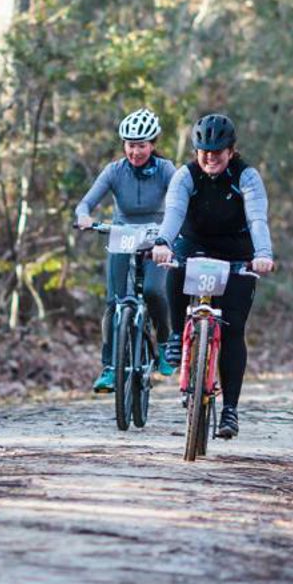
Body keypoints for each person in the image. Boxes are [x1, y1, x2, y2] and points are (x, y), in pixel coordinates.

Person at [150, 113, 276, 439]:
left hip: (238, 254)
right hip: (194, 246)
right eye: (204, 151)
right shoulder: (186, 175)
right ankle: (178, 335)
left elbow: (258, 218)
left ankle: (230, 410)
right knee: (174, 267)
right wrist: (163, 243)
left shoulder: (246, 176)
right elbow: (174, 212)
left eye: (218, 151)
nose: (210, 157)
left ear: (231, 151)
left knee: (233, 331)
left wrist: (263, 255)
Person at [73, 108, 177, 393]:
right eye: (130, 145)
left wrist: (172, 231)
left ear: (153, 145)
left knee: (155, 291)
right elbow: (86, 203)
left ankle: (165, 345)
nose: (135, 151)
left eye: (141, 145)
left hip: (157, 236)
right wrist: (84, 216)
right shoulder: (114, 171)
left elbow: (182, 199)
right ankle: (109, 367)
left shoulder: (167, 170)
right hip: (123, 235)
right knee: (115, 301)